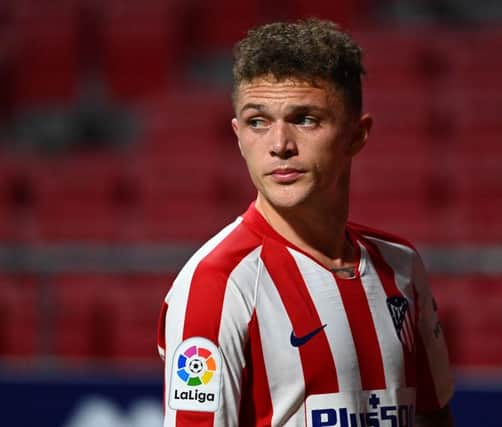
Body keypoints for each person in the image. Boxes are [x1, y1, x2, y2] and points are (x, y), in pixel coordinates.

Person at [157, 19, 455, 427]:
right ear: (238, 135)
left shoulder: (401, 265)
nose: (279, 145)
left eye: (305, 119)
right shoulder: (217, 287)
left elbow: (432, 416)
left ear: (356, 134)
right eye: (257, 121)